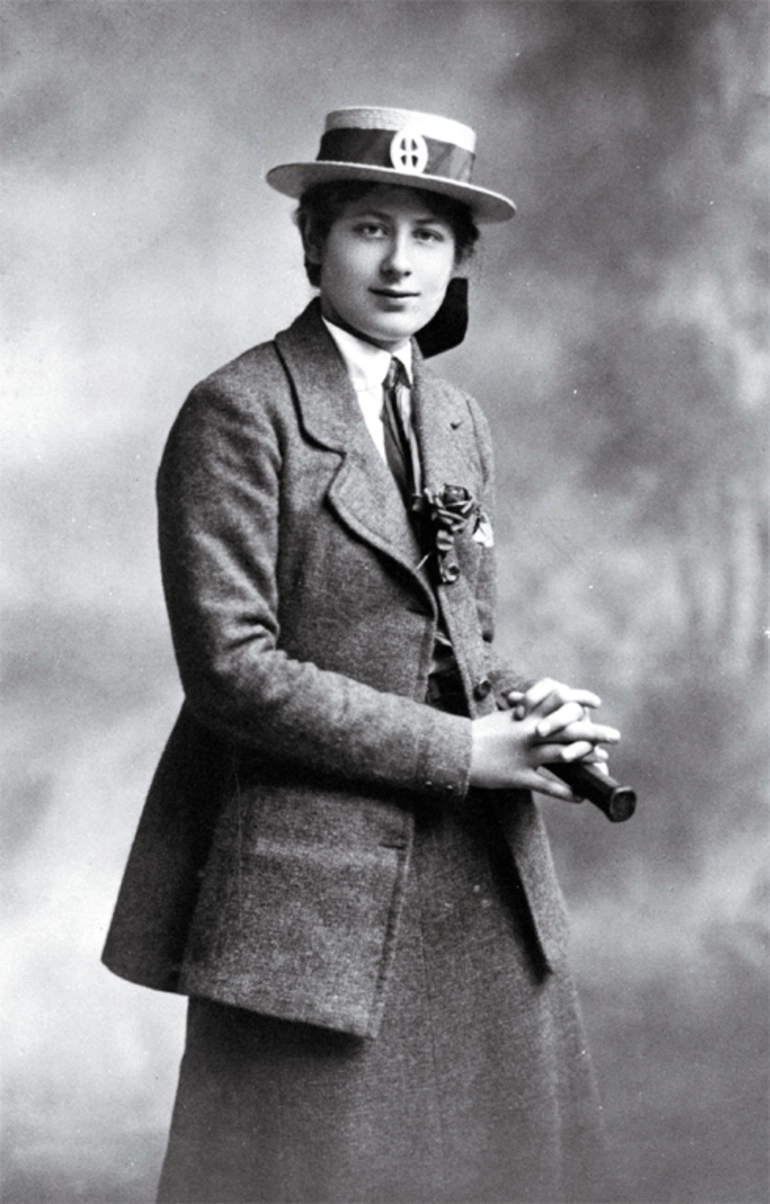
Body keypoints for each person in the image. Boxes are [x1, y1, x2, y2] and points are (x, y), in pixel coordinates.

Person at [103, 106, 621, 1204]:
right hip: (310, 899)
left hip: (472, 879)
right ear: (313, 244)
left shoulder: (454, 417)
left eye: (429, 235)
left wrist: (526, 703)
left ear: (458, 259)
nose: (399, 263)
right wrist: (461, 750)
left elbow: (452, 636)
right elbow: (232, 671)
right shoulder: (239, 412)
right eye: (369, 228)